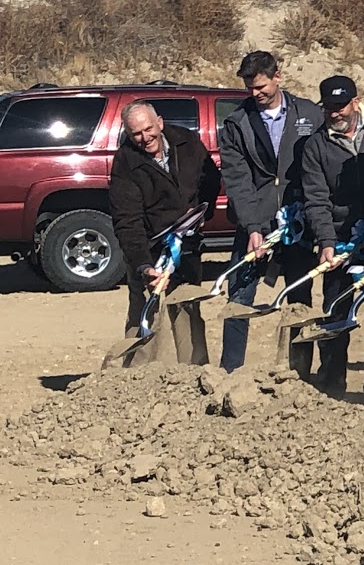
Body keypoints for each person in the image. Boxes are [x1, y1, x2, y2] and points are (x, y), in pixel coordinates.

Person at [217, 50, 323, 373]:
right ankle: (230, 371)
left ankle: (298, 372)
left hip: (298, 223)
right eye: (250, 88)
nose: (256, 94)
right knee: (239, 297)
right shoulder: (236, 123)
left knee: (299, 299)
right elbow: (237, 179)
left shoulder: (309, 114)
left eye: (261, 86)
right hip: (255, 223)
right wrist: (252, 227)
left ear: (278, 77)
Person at [107, 101, 221, 365]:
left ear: (159, 122)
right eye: (136, 134)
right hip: (150, 250)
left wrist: (203, 214)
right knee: (145, 314)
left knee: (188, 311)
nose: (145, 138)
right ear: (128, 132)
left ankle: (195, 374)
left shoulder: (188, 142)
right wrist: (144, 266)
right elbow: (126, 219)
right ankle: (135, 380)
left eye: (148, 129)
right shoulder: (126, 161)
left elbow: (211, 179)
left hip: (188, 245)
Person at [292, 75, 364, 393]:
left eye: (341, 106)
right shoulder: (315, 145)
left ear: (356, 102)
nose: (335, 113)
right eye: (329, 107)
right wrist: (326, 242)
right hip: (340, 239)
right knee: (334, 312)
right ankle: (331, 382)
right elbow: (316, 198)